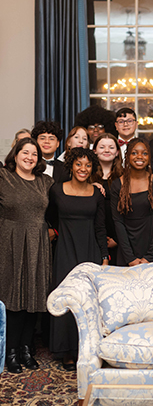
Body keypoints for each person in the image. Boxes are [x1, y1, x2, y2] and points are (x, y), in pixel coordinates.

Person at [48, 148, 109, 371]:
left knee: (89, 301)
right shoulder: (56, 190)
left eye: (88, 165)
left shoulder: (97, 193)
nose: (83, 169)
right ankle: (66, 350)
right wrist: (53, 232)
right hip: (64, 250)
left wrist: (104, 257)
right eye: (78, 164)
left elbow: (100, 227)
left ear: (92, 168)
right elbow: (48, 218)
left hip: (90, 251)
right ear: (71, 166)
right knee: (66, 296)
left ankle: (88, 348)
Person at [0, 137, 53, 373]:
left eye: (35, 154)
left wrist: (97, 187)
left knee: (34, 297)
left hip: (37, 243)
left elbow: (68, 197)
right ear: (16, 154)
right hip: (9, 242)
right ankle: (10, 352)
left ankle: (26, 350)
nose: (30, 157)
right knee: (13, 298)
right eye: (26, 152)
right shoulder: (3, 178)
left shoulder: (46, 182)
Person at [110, 138, 153, 265]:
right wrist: (130, 258)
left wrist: (149, 257)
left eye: (144, 153)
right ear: (127, 156)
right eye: (134, 153)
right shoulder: (117, 185)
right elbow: (118, 222)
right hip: (127, 251)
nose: (139, 156)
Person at [92, 133, 123, 266]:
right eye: (102, 147)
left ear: (117, 152)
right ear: (94, 151)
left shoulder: (124, 177)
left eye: (111, 147)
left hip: (120, 240)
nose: (106, 150)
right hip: (92, 238)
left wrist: (117, 239)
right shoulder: (87, 177)